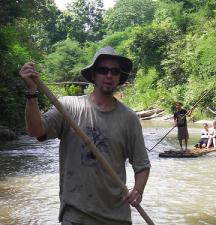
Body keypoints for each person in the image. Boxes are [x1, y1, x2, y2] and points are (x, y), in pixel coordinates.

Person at [19, 46, 151, 225]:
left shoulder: (129, 119)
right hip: (75, 217)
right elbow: (35, 131)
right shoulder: (67, 107)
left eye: (115, 71)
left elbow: (142, 165)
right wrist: (32, 93)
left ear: (120, 77)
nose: (109, 75)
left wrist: (138, 190)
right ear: (94, 75)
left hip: (117, 218)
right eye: (103, 70)